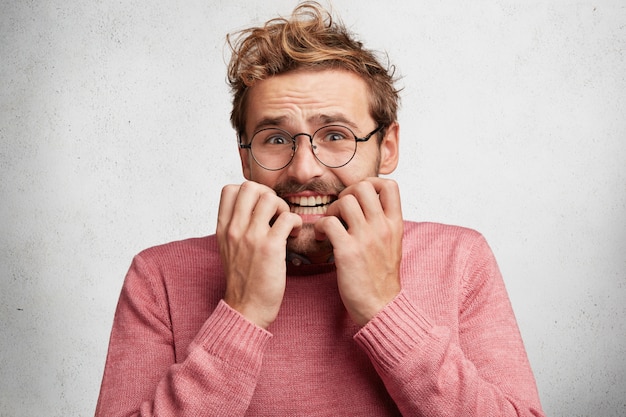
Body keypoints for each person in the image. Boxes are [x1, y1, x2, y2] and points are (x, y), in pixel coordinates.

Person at [95, 2, 544, 416]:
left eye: (334, 135)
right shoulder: (158, 277)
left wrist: (384, 307)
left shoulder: (459, 258)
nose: (304, 169)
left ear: (387, 148)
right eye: (275, 139)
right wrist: (242, 313)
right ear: (245, 158)